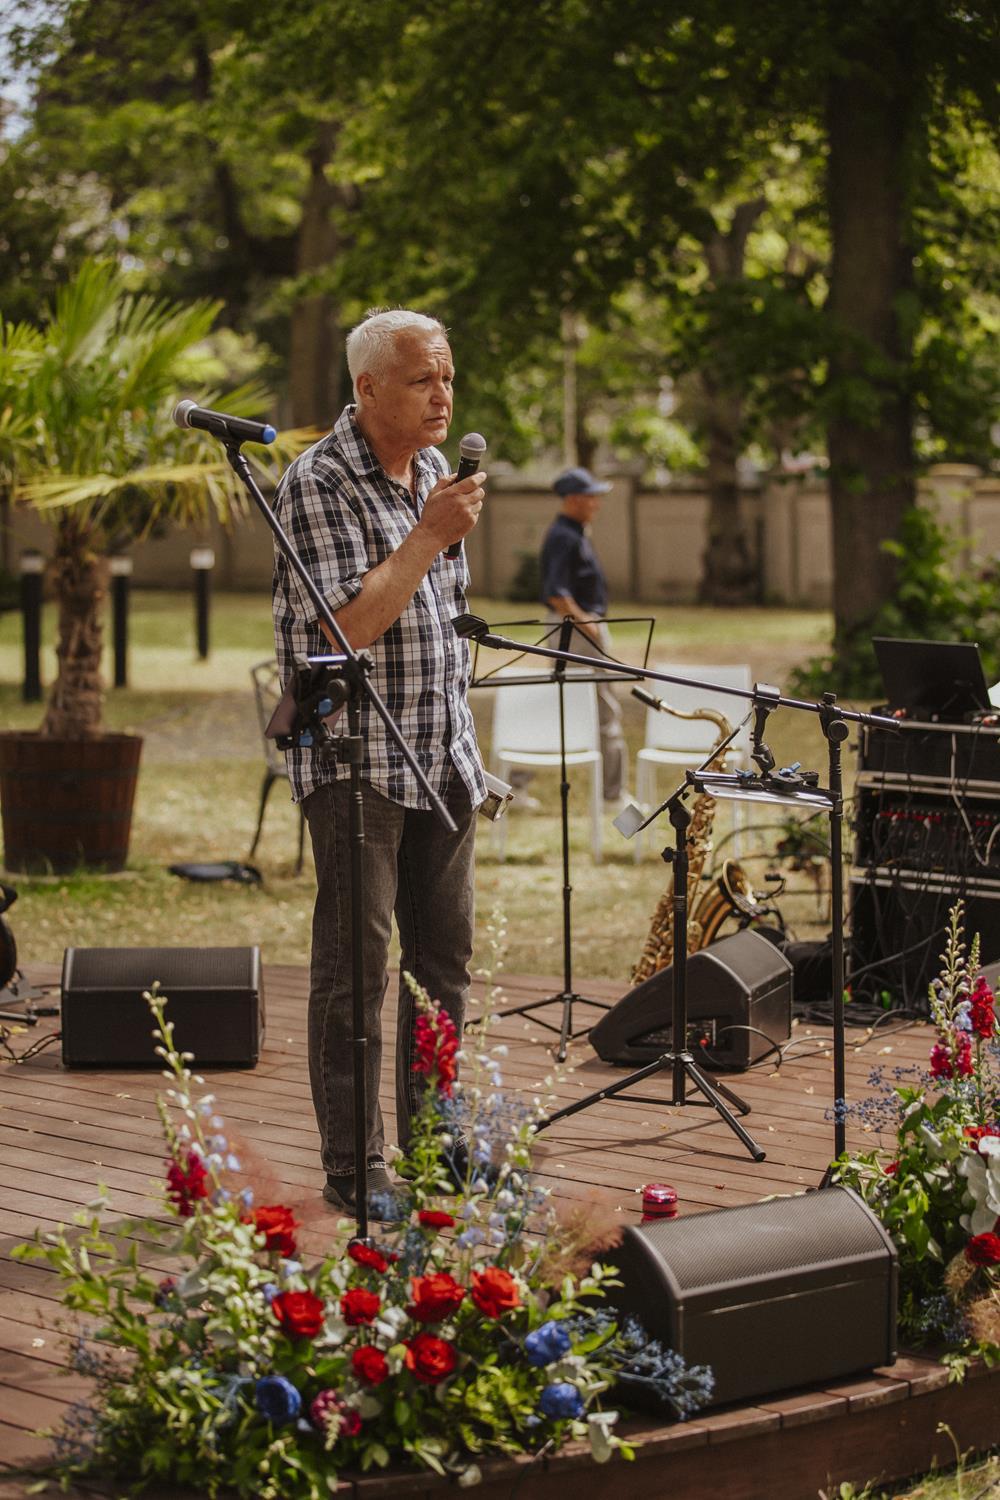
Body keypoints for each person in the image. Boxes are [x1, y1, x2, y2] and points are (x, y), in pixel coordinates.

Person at [271, 307, 488, 1217]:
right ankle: (354, 1168)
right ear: (367, 389)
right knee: (354, 972)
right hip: (357, 759)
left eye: (447, 377)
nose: (442, 396)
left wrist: (436, 534)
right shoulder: (318, 481)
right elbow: (343, 629)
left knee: (444, 968)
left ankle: (435, 1146)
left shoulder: (434, 472)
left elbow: (439, 613)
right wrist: (428, 536)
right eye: (421, 379)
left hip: (442, 750)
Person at [538, 465, 628, 805]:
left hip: (575, 629)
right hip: (576, 631)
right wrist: (588, 624)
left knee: (565, 704)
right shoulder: (565, 536)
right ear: (574, 499)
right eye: (592, 497)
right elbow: (557, 593)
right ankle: (614, 794)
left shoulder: (573, 532)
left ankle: (519, 779)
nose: (597, 504)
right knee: (602, 709)